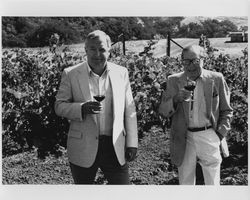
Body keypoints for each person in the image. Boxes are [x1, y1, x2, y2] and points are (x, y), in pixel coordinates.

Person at [54, 30, 138, 184]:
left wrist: (132, 143)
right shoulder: (71, 73)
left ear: (109, 51)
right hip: (83, 147)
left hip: (115, 146)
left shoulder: (121, 73)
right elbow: (59, 106)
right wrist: (81, 109)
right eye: (92, 49)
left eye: (102, 49)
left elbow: (129, 110)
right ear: (85, 50)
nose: (97, 54)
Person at [158, 45, 233, 185]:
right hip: (184, 137)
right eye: (185, 62)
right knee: (186, 182)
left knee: (213, 182)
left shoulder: (216, 78)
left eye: (194, 61)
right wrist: (175, 99)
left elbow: (226, 110)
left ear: (203, 60)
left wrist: (220, 135)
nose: (190, 66)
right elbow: (163, 111)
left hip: (209, 134)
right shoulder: (173, 80)